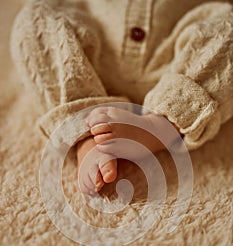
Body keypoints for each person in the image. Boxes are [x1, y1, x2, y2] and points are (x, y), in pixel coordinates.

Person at [10, 0, 233, 194]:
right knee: (35, 18)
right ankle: (87, 132)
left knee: (228, 26)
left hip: (178, 56)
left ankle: (161, 126)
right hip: (89, 58)